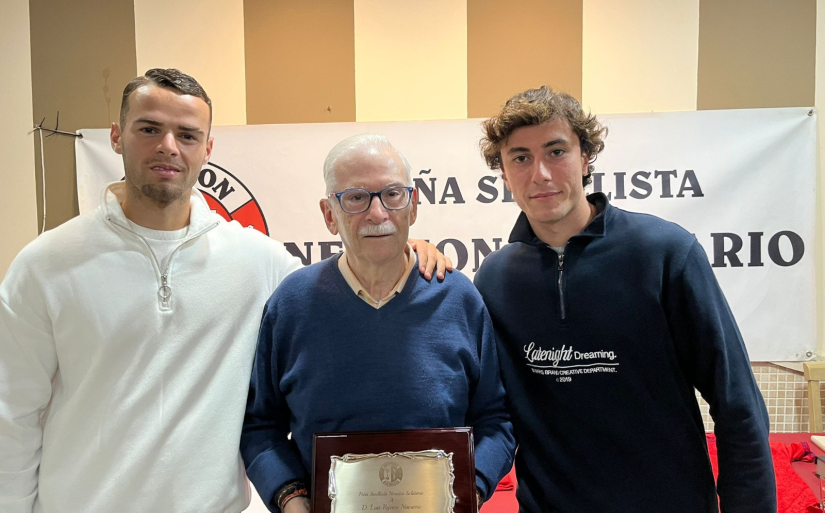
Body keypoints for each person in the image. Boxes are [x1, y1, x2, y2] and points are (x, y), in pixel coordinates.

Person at [0, 69, 448, 513]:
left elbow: (348, 281)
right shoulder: (45, 265)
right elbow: (11, 417)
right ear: (117, 136)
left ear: (208, 149)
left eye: (188, 135)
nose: (169, 146)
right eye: (150, 129)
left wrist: (401, 248)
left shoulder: (258, 260)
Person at [473, 86, 775, 513]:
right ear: (503, 173)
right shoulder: (494, 280)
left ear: (585, 158)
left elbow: (736, 401)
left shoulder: (665, 253)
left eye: (556, 151)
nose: (539, 173)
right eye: (520, 157)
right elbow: (489, 410)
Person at [241, 133, 515, 513]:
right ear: (328, 214)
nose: (377, 213)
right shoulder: (292, 304)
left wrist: (472, 491)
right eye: (355, 197)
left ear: (413, 205)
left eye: (392, 194)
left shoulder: (458, 299)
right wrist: (291, 498)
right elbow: (259, 427)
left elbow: (496, 421)